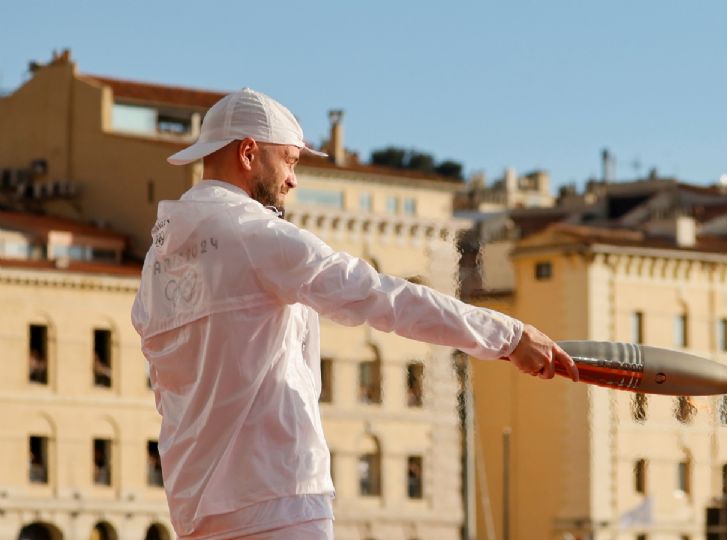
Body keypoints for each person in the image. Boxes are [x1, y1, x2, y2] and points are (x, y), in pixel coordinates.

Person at [131, 87, 579, 540]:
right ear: (249, 153)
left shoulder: (158, 261)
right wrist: (509, 336)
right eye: (290, 161)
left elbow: (167, 390)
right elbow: (381, 296)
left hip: (195, 505)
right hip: (278, 498)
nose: (293, 180)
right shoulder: (255, 236)